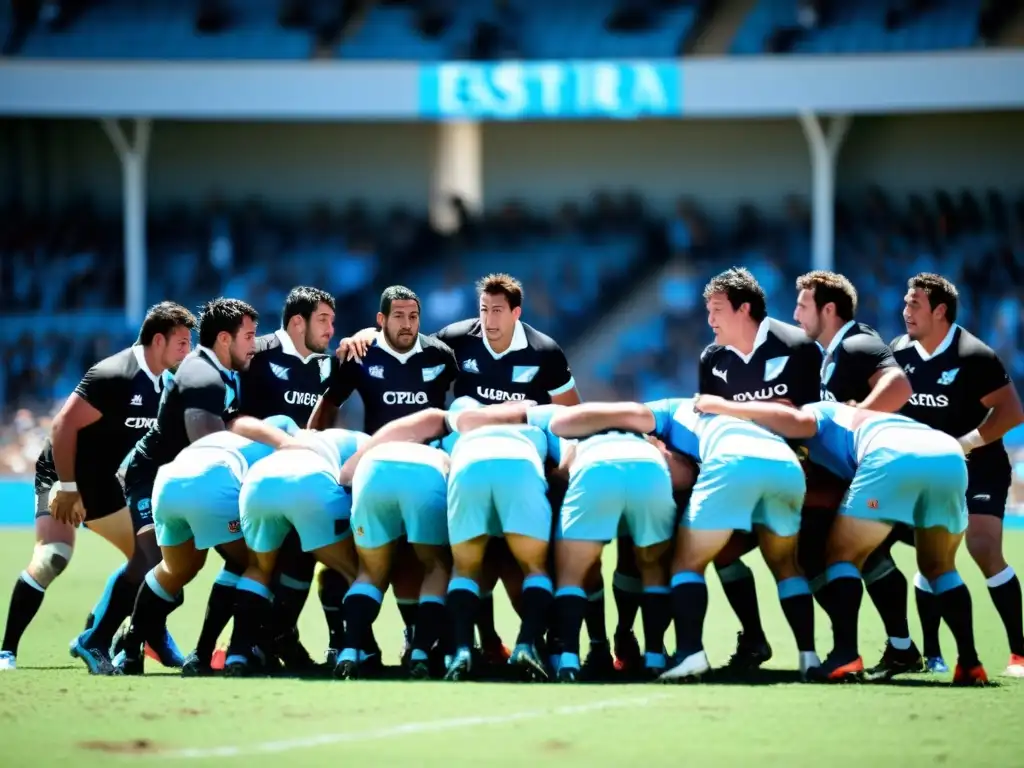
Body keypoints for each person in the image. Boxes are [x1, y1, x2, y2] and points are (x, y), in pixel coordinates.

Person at [333, 273, 586, 669]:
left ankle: (474, 648)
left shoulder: (544, 352)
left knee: (478, 563)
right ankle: (510, 646)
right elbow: (406, 339)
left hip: (501, 468)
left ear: (517, 313)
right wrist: (369, 334)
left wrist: (560, 476)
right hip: (487, 469)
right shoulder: (456, 340)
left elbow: (572, 414)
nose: (489, 319)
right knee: (487, 562)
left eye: (498, 311)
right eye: (483, 309)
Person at [71, 298, 299, 674]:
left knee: (187, 565)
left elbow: (227, 423)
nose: (253, 345)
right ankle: (97, 640)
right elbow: (205, 445)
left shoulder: (221, 372)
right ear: (224, 339)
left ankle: (135, 645)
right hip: (150, 476)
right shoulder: (201, 375)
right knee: (154, 559)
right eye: (248, 336)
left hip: (172, 480)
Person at [699, 397, 990, 686]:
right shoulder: (851, 424)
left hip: (891, 457)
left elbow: (796, 422)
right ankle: (970, 663)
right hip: (949, 455)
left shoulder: (816, 412)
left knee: (842, 557)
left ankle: (845, 655)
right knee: (939, 567)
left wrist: (724, 406)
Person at [550, 398, 817, 682]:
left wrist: (563, 422)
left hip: (732, 460)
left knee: (686, 565)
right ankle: (809, 657)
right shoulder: (741, 417)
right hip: (786, 466)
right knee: (786, 566)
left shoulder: (668, 411)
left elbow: (626, 416)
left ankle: (690, 655)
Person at [0, 302, 195, 672]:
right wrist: (69, 487)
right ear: (158, 340)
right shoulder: (114, 373)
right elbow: (62, 427)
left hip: (103, 480)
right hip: (61, 472)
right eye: (182, 343)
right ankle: (6, 651)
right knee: (52, 557)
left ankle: (106, 635)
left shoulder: (165, 384)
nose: (187, 352)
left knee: (154, 564)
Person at [306, 285, 458, 667]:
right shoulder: (359, 355)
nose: (407, 325)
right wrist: (311, 449)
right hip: (375, 472)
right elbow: (328, 407)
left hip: (423, 475)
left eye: (413, 317)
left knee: (404, 564)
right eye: (398, 317)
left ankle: (376, 647)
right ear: (380, 320)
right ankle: (375, 644)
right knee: (375, 565)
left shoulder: (442, 355)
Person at [194, 286, 337, 676]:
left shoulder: (328, 366)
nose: (331, 329)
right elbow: (230, 414)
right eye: (323, 320)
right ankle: (210, 649)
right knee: (251, 562)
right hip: (252, 480)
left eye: (333, 321)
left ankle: (263, 644)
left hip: (300, 482)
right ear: (296, 322)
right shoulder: (257, 353)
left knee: (299, 557)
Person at [891, 273, 1024, 678]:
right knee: (933, 555)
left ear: (940, 311)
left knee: (983, 548)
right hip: (925, 471)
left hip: (979, 466)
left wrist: (966, 443)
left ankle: (1019, 653)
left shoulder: (974, 355)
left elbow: (1011, 412)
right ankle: (933, 655)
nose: (906, 312)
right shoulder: (899, 352)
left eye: (914, 304)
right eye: (905, 303)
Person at [791, 270, 922, 680]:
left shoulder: (856, 343)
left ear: (828, 309)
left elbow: (899, 386)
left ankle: (848, 650)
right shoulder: (832, 353)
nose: (795, 314)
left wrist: (854, 420)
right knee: (861, 555)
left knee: (830, 552)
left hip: (889, 471)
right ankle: (901, 649)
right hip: (875, 473)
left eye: (803, 305)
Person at [697, 267, 823, 672]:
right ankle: (755, 639)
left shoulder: (800, 346)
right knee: (723, 554)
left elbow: (809, 422)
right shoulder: (712, 359)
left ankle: (822, 653)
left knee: (797, 559)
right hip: (739, 475)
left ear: (744, 309)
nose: (710, 320)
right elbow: (712, 421)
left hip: (795, 476)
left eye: (717, 310)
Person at [111, 415, 301, 675]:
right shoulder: (286, 447)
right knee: (253, 565)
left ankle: (129, 649)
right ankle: (212, 653)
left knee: (175, 569)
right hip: (213, 483)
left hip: (168, 482)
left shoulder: (237, 438)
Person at [229, 428, 367, 676]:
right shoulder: (367, 443)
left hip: (258, 480)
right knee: (355, 571)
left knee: (258, 568)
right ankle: (354, 650)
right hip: (310, 480)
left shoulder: (309, 435)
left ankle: (238, 652)